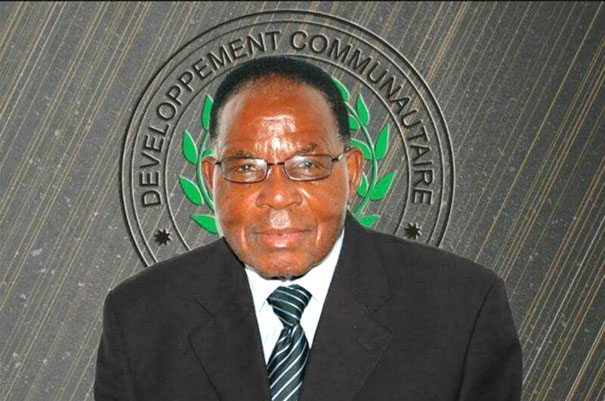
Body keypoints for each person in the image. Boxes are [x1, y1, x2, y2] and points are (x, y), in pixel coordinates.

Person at [94, 56, 523, 401]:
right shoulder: (142, 319)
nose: (277, 195)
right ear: (211, 179)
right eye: (246, 168)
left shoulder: (461, 311)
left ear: (352, 172)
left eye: (306, 165)